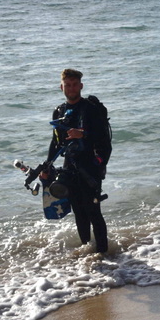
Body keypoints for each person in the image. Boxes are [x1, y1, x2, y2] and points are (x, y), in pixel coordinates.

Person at [49, 68, 112, 254]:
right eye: (67, 85)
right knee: (79, 212)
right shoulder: (59, 111)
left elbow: (103, 139)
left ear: (81, 86)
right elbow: (55, 141)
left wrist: (82, 134)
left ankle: (103, 255)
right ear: (62, 87)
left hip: (90, 166)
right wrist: (47, 165)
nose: (71, 88)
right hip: (70, 167)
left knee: (93, 212)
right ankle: (87, 252)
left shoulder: (91, 109)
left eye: (74, 84)